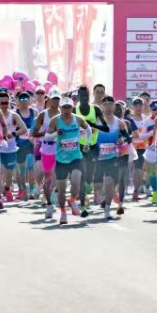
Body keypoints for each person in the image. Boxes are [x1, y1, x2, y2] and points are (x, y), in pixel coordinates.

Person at [45, 97, 92, 225]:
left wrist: (87, 143)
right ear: (60, 108)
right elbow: (47, 137)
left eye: (69, 107)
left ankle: (72, 200)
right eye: (64, 107)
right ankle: (63, 212)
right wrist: (56, 134)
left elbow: (88, 129)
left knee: (76, 182)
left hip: (76, 157)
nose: (66, 110)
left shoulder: (78, 119)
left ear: (72, 108)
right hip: (61, 160)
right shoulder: (55, 120)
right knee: (61, 189)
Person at [94, 96, 127, 220]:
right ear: (101, 106)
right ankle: (101, 194)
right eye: (105, 104)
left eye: (110, 104)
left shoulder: (119, 123)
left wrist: (121, 141)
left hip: (112, 157)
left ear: (114, 106)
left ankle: (107, 209)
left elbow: (126, 138)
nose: (108, 107)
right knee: (97, 185)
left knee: (109, 183)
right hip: (97, 158)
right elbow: (87, 136)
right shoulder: (96, 122)